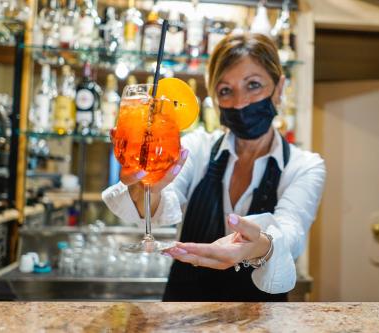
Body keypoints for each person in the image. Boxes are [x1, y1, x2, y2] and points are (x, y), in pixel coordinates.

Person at [102, 33, 326, 301]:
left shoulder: (304, 166)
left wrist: (259, 245)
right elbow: (163, 204)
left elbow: (291, 233)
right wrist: (145, 186)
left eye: (253, 85)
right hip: (183, 318)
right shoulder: (197, 148)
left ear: (279, 88)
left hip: (260, 322)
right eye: (225, 91)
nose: (240, 102)